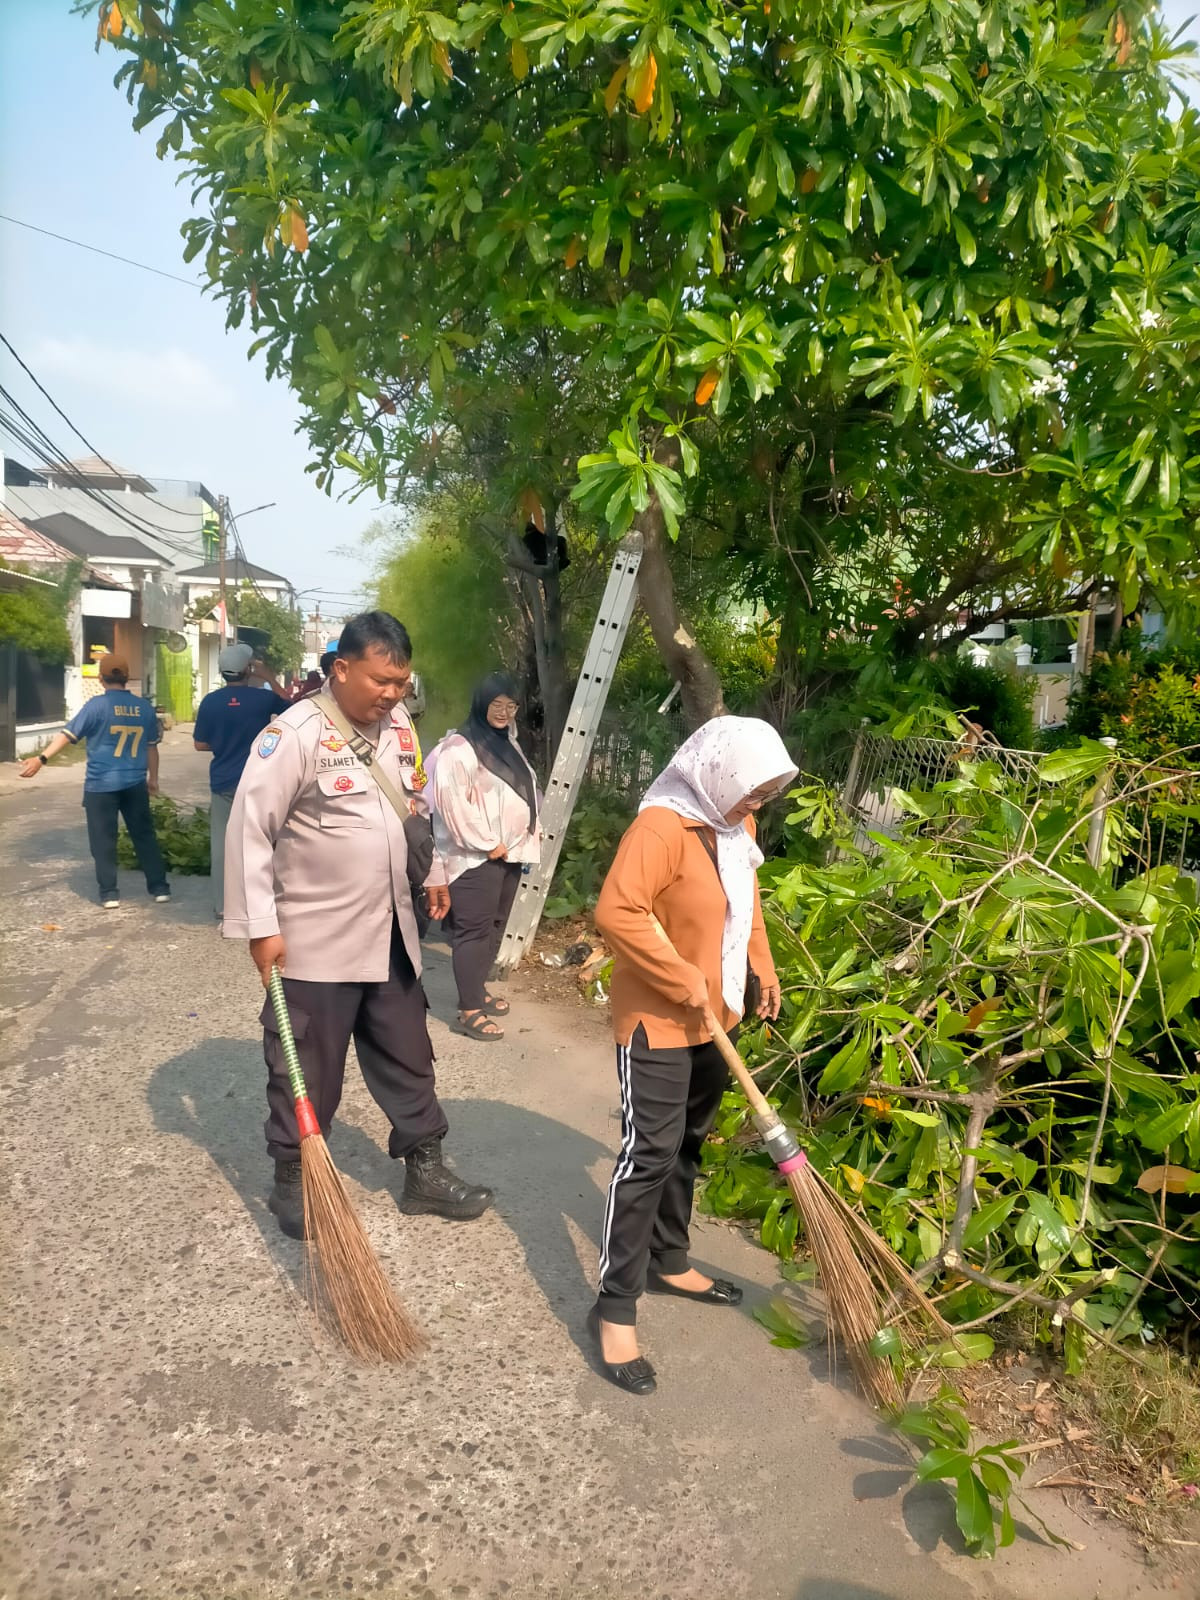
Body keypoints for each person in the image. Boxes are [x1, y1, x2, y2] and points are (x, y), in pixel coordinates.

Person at [223, 610, 492, 1238]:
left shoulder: (398, 728)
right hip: (316, 942)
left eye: (401, 682)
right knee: (307, 1065)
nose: (394, 695)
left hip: (391, 932)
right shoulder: (293, 736)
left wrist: (431, 874)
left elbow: (412, 805)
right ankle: (295, 1178)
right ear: (340, 668)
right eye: (381, 681)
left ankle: (425, 1171)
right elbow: (249, 832)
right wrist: (261, 927)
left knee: (410, 1054)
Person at [588, 717, 798, 1394]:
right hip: (657, 1020)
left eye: (765, 794)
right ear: (716, 773)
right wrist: (678, 975)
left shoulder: (737, 828)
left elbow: (747, 906)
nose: (755, 804)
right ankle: (615, 1307)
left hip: (718, 1018)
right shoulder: (661, 829)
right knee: (646, 1155)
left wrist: (762, 967)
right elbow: (618, 912)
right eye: (749, 790)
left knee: (688, 1144)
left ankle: (669, 1258)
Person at [431, 672, 541, 1041]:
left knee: (495, 926)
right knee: (474, 931)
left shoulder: (510, 741)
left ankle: (477, 990)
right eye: (497, 704)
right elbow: (451, 804)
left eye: (511, 705)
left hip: (508, 853)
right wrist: (486, 841)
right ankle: (469, 1010)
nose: (504, 712)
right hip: (476, 856)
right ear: (481, 703)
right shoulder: (459, 748)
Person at [18, 653, 170, 909]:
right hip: (134, 783)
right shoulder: (144, 708)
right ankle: (159, 888)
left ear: (101, 679)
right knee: (144, 835)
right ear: (126, 678)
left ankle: (110, 893)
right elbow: (151, 747)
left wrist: (41, 759)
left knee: (103, 840)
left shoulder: (96, 706)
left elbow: (68, 735)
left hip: (101, 786)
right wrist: (153, 779)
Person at [193, 643, 291, 921]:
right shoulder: (262, 699)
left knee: (223, 845)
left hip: (223, 782)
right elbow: (291, 706)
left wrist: (224, 742)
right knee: (265, 841)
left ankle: (224, 906)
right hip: (258, 781)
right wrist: (270, 677)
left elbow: (200, 744)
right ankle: (264, 904)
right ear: (249, 669)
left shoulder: (210, 701)